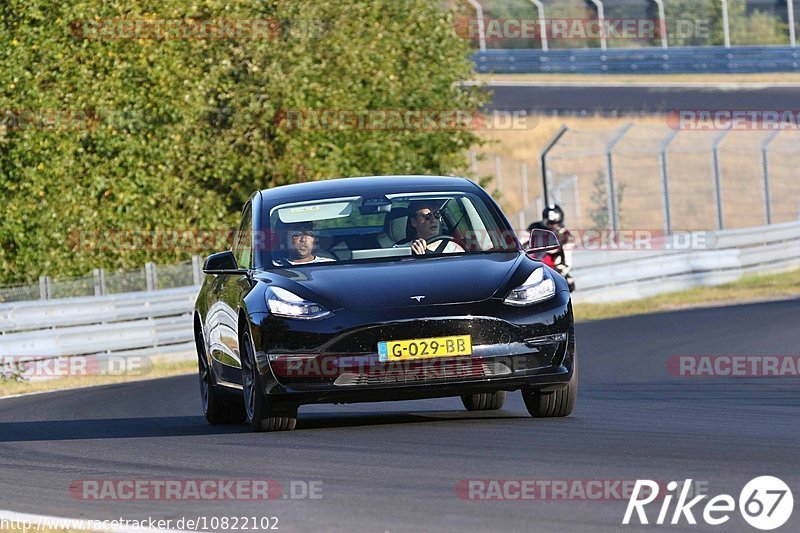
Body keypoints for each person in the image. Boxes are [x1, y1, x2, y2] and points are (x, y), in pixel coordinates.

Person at [528, 205, 575, 291]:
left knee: (569, 284)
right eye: (550, 223)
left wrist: (560, 272)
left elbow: (567, 260)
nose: (553, 226)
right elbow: (521, 244)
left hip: (553, 268)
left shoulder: (566, 235)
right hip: (533, 265)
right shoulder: (533, 228)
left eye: (555, 223)